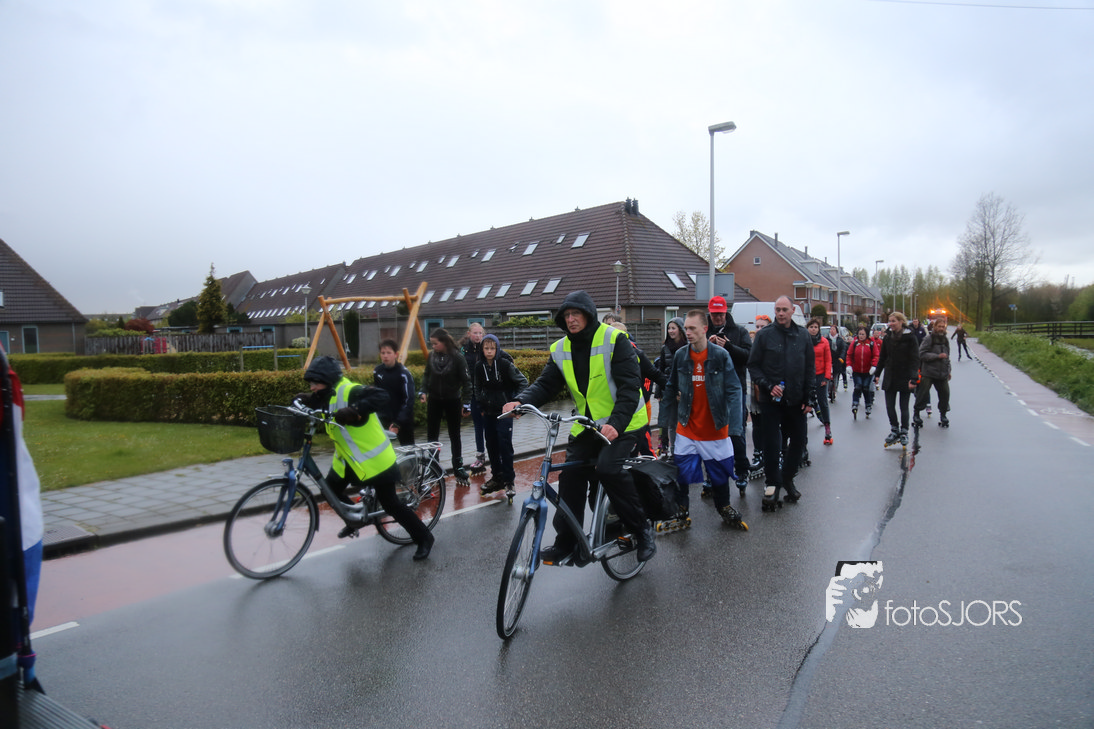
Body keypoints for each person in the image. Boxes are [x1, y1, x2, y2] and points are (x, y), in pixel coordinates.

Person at [503, 290, 656, 563]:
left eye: (576, 314)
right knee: (570, 478)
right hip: (587, 425)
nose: (571, 319)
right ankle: (567, 542)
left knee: (608, 469)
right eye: (566, 315)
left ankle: (641, 529)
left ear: (588, 315)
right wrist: (521, 402)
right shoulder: (561, 348)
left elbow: (630, 387)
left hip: (624, 423)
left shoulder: (614, 339)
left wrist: (616, 424)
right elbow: (546, 384)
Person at [299, 356, 434, 559]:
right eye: (310, 383)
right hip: (349, 459)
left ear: (327, 380)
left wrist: (354, 410)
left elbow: (381, 396)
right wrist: (303, 399)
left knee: (390, 503)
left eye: (315, 383)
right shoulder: (325, 394)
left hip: (376, 460)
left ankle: (424, 538)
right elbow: (316, 401)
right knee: (330, 490)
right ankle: (354, 519)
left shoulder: (350, 391)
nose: (312, 387)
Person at [661, 310, 747, 526]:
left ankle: (724, 507)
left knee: (719, 473)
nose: (688, 332)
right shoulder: (681, 355)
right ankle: (681, 509)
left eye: (692, 328)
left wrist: (735, 427)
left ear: (704, 329)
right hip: (687, 427)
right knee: (682, 470)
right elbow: (671, 385)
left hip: (714, 428)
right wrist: (663, 420)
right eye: (686, 328)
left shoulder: (720, 355)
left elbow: (734, 389)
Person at [746, 295, 814, 511]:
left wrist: (810, 398)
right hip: (771, 400)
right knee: (772, 443)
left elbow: (809, 368)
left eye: (785, 309)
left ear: (793, 310)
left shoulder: (803, 335)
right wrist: (768, 385)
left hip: (796, 399)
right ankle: (772, 484)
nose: (781, 313)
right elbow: (753, 366)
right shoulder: (764, 335)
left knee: (799, 441)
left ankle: (787, 478)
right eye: (778, 310)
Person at [706, 295, 753, 492]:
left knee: (736, 431)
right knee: (712, 433)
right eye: (714, 314)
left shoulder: (739, 331)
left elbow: (749, 357)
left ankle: (741, 470)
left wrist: (729, 347)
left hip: (735, 388)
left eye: (720, 314)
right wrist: (706, 346)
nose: (717, 318)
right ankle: (713, 474)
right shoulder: (704, 331)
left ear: (726, 313)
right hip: (711, 389)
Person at [473, 334, 528, 496]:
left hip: (505, 413)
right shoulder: (479, 366)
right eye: (486, 348)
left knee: (504, 445)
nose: (489, 351)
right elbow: (477, 386)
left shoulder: (505, 364)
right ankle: (497, 477)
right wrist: (481, 403)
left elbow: (523, 382)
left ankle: (509, 481)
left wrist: (516, 402)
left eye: (492, 348)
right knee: (491, 445)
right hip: (488, 412)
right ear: (482, 350)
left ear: (497, 349)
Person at [420, 328, 472, 483]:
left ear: (444, 342)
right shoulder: (432, 356)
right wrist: (423, 391)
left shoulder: (457, 357)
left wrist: (467, 403)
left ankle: (458, 467)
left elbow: (467, 382)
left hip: (452, 400)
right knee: (432, 436)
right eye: (432, 344)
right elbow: (426, 375)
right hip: (435, 400)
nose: (433, 346)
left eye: (435, 343)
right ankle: (433, 467)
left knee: (454, 435)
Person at [610, 321, 666, 457]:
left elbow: (654, 374)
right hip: (615, 410)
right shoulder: (605, 356)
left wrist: (673, 389)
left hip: (637, 409)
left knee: (643, 446)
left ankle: (653, 467)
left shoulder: (636, 354)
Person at [873, 312, 921, 447]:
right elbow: (883, 357)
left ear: (901, 322)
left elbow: (915, 359)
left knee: (903, 406)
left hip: (905, 375)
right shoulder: (888, 337)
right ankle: (894, 429)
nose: (891, 324)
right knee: (890, 406)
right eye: (890, 321)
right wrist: (877, 374)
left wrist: (914, 378)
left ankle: (904, 431)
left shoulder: (910, 337)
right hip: (890, 375)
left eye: (893, 321)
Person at [373, 339, 416, 445]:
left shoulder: (403, 374)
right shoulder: (377, 371)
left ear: (396, 354)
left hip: (402, 419)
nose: (385, 356)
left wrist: (398, 422)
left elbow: (409, 399)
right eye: (383, 353)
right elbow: (376, 394)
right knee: (382, 447)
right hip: (384, 418)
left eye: (389, 353)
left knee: (408, 448)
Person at [460, 323, 488, 474]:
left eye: (480, 333)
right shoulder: (463, 350)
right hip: (473, 393)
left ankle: (496, 454)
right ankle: (480, 457)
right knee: (478, 425)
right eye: (475, 333)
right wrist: (465, 401)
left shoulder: (487, 348)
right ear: (469, 334)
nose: (478, 336)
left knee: (490, 425)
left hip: (487, 393)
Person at [656, 316, 687, 458]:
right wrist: (659, 393)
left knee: (685, 421)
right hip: (669, 389)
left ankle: (686, 449)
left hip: (684, 390)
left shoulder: (687, 347)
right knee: (672, 422)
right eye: (669, 328)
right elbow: (660, 371)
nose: (670, 331)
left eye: (673, 328)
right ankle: (674, 450)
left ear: (680, 329)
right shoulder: (665, 348)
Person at [914, 317, 952, 428]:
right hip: (929, 372)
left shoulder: (945, 340)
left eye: (943, 327)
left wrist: (948, 370)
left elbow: (947, 356)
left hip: (942, 373)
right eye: (939, 326)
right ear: (935, 327)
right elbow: (922, 354)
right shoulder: (928, 339)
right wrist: (937, 356)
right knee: (923, 394)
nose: (941, 329)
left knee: (945, 394)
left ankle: (943, 415)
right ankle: (917, 414)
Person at [747, 314, 772, 472]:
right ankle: (758, 454)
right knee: (756, 423)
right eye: (757, 326)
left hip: (769, 388)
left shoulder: (773, 345)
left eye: (762, 326)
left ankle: (773, 454)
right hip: (753, 388)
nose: (759, 329)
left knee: (770, 424)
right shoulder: (751, 345)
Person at [807, 318, 834, 446]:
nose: (813, 329)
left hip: (820, 375)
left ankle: (827, 428)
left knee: (823, 402)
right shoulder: (804, 341)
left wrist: (826, 377)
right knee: (804, 402)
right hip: (807, 376)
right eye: (811, 327)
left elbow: (828, 360)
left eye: (816, 327)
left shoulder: (824, 342)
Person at [847, 325, 880, 419]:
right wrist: (849, 365)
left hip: (868, 371)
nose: (861, 336)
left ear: (867, 335)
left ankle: (868, 405)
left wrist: (874, 365)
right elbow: (849, 355)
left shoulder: (871, 344)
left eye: (863, 334)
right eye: (859, 334)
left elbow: (876, 355)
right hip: (857, 371)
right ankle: (855, 403)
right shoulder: (855, 343)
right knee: (858, 386)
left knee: (866, 388)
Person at [827, 324, 848, 401]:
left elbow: (843, 349)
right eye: (831, 329)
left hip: (837, 360)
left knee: (836, 376)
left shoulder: (840, 340)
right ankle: (828, 390)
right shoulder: (827, 340)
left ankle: (834, 389)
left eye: (833, 329)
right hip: (829, 360)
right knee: (828, 376)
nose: (832, 331)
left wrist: (841, 357)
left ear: (836, 331)